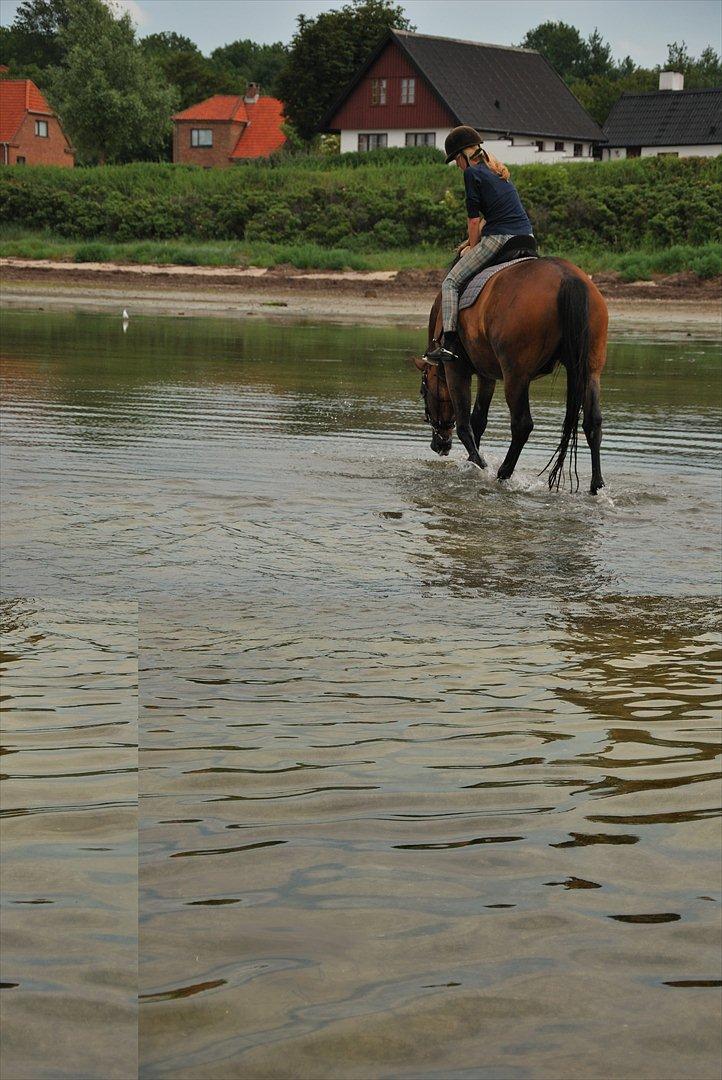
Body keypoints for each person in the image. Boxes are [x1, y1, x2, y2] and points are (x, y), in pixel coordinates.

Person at [424, 126, 534, 364]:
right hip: (527, 237)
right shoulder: (496, 170)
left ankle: (450, 345)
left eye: (455, 159)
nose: (456, 165)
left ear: (464, 154)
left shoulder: (471, 174)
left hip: (500, 238)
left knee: (451, 282)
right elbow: (490, 216)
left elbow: (474, 220)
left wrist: (471, 247)